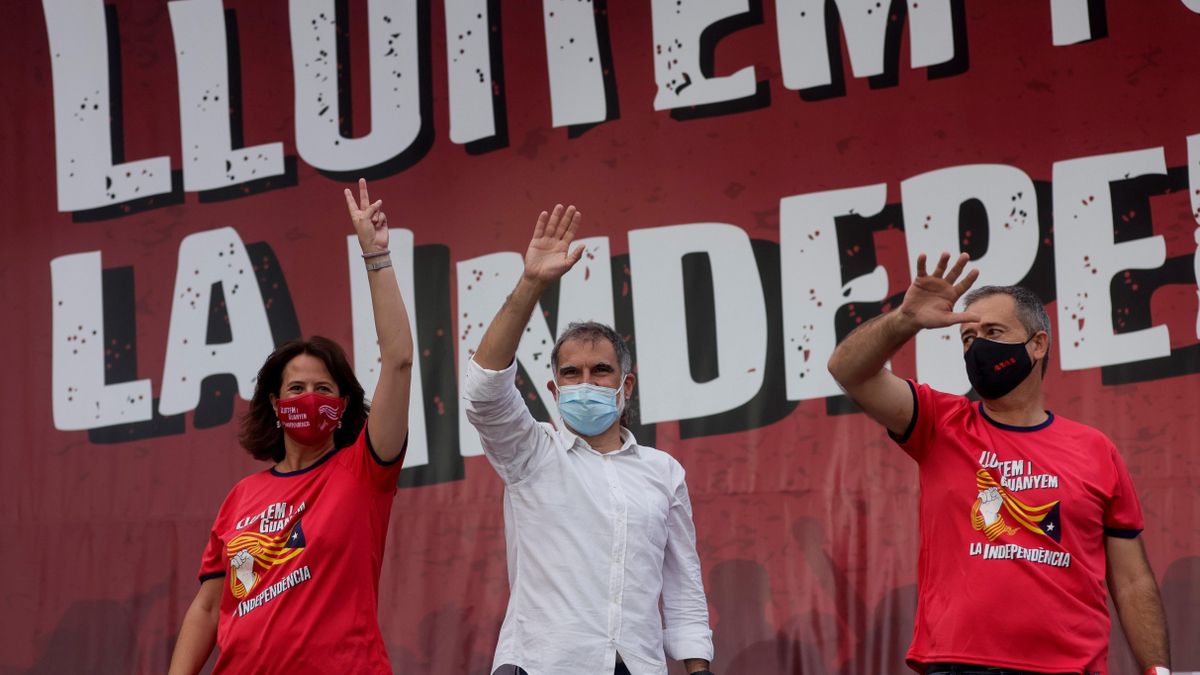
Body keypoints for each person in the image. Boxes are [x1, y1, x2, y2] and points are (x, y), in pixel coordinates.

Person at [827, 252, 1171, 675]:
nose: (977, 347)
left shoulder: (1096, 449)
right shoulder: (939, 423)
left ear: (1038, 344)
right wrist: (905, 320)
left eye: (993, 331)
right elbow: (849, 372)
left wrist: (1158, 671)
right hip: (962, 664)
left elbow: (1133, 581)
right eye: (968, 338)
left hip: (1070, 667)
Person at [167, 179, 413, 675]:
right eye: (296, 389)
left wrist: (375, 258)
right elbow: (209, 608)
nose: (310, 398)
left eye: (324, 389)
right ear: (274, 405)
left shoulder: (365, 470)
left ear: (342, 405)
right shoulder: (241, 497)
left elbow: (400, 361)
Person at [463, 205, 715, 675]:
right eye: (571, 374)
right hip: (540, 665)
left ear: (627, 386)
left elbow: (683, 590)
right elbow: (483, 392)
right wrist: (531, 284)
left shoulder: (663, 472)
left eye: (601, 372)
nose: (587, 383)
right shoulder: (532, 452)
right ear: (554, 390)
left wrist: (699, 670)